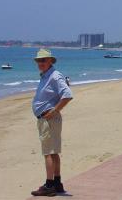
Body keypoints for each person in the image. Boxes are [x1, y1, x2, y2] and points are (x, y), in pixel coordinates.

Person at [31, 49, 73, 197]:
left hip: (48, 119)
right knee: (53, 152)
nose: (40, 63)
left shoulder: (54, 76)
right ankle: (57, 183)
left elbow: (67, 95)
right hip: (47, 119)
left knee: (48, 152)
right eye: (38, 61)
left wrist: (54, 111)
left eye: (43, 60)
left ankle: (49, 185)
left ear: (50, 61)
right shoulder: (46, 76)